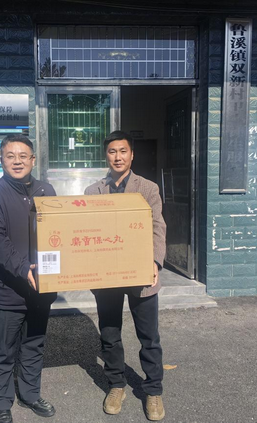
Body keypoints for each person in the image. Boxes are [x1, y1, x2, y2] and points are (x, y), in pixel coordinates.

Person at [84, 131, 167, 421]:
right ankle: (116, 384)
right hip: (107, 274)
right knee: (109, 334)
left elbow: (158, 227)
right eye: (112, 152)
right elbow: (86, 230)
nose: (117, 157)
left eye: (123, 151)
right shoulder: (93, 192)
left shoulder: (148, 188)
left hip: (140, 271)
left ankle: (153, 390)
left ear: (132, 155)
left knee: (149, 336)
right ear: (105, 156)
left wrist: (155, 262)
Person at [0, 134, 57, 423]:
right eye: (10, 156)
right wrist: (24, 269)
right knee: (2, 350)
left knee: (34, 344)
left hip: (42, 288)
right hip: (8, 290)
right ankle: (1, 402)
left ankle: (30, 394)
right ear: (2, 160)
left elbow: (60, 231)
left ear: (33, 160)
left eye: (23, 156)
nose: (17, 161)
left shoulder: (47, 190)